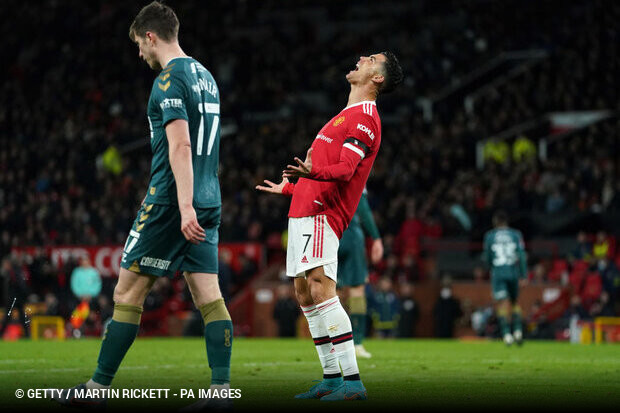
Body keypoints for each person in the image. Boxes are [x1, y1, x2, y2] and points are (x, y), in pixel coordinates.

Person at [54, 2, 232, 409]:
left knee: (127, 291)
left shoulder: (168, 81)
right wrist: (197, 204)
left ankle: (98, 388)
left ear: (151, 36)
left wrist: (183, 206)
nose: (139, 54)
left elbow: (181, 144)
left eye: (139, 44)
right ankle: (221, 392)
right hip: (210, 197)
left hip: (173, 201)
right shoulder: (206, 77)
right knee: (209, 294)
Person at [257, 51, 403, 401]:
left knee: (322, 288)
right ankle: (331, 378)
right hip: (302, 209)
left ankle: (353, 383)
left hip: (324, 214)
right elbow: (319, 171)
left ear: (377, 78)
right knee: (304, 294)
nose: (362, 58)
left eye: (372, 58)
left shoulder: (366, 118)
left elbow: (345, 171)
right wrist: (292, 187)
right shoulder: (343, 115)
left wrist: (310, 174)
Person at [337, 189, 383, 358]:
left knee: (332, 293)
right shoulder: (356, 168)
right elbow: (363, 209)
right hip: (352, 235)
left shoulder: (324, 170)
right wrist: (376, 238)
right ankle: (356, 343)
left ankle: (335, 342)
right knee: (357, 291)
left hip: (331, 234)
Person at [483, 210, 528, 346]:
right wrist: (523, 275)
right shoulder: (516, 234)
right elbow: (521, 255)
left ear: (495, 222)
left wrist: (491, 270)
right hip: (513, 272)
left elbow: (488, 258)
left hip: (499, 272)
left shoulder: (490, 236)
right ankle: (518, 331)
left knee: (502, 304)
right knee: (515, 302)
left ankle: (507, 334)